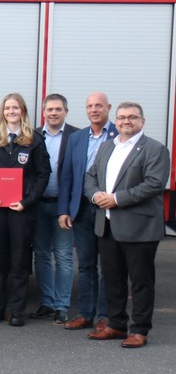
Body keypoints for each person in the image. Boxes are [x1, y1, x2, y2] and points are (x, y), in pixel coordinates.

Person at [83, 102, 169, 348]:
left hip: (139, 227)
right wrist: (95, 194)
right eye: (121, 117)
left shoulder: (155, 149)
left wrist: (116, 199)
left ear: (142, 121)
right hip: (107, 225)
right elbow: (91, 176)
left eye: (132, 117)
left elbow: (154, 184)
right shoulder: (107, 146)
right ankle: (117, 325)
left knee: (141, 282)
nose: (126, 121)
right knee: (112, 278)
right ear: (116, 120)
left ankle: (140, 330)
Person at [0, 93, 50, 326]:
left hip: (21, 210)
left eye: (15, 108)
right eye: (7, 108)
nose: (11, 112)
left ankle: (17, 310)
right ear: (2, 112)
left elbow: (42, 174)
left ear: (23, 111)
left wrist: (27, 200)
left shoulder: (34, 140)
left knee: (19, 261)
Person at [59, 92, 117, 331]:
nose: (94, 110)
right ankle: (85, 313)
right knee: (85, 264)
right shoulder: (77, 138)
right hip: (81, 209)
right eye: (90, 106)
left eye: (99, 106)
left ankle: (106, 316)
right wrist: (64, 209)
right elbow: (67, 175)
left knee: (109, 265)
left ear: (108, 108)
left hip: (108, 210)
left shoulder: (119, 136)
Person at [30, 93, 78, 323]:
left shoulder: (76, 136)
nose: (54, 113)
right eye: (50, 109)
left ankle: (62, 305)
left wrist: (67, 208)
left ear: (66, 112)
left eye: (58, 109)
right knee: (41, 255)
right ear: (44, 112)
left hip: (63, 207)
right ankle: (47, 302)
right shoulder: (33, 135)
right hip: (38, 205)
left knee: (64, 256)